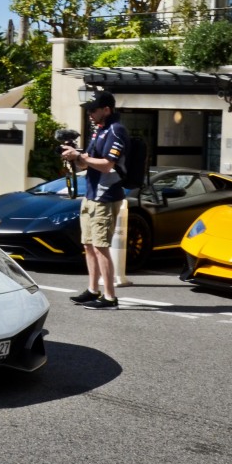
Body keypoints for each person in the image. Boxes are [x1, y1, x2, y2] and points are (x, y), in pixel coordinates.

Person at [59, 91, 129, 311]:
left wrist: (81, 157)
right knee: (89, 245)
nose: (89, 114)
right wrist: (74, 155)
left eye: (93, 110)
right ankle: (93, 290)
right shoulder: (99, 130)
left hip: (106, 196)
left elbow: (108, 164)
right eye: (88, 110)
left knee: (101, 246)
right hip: (91, 194)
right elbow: (85, 163)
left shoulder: (116, 130)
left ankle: (110, 297)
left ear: (106, 110)